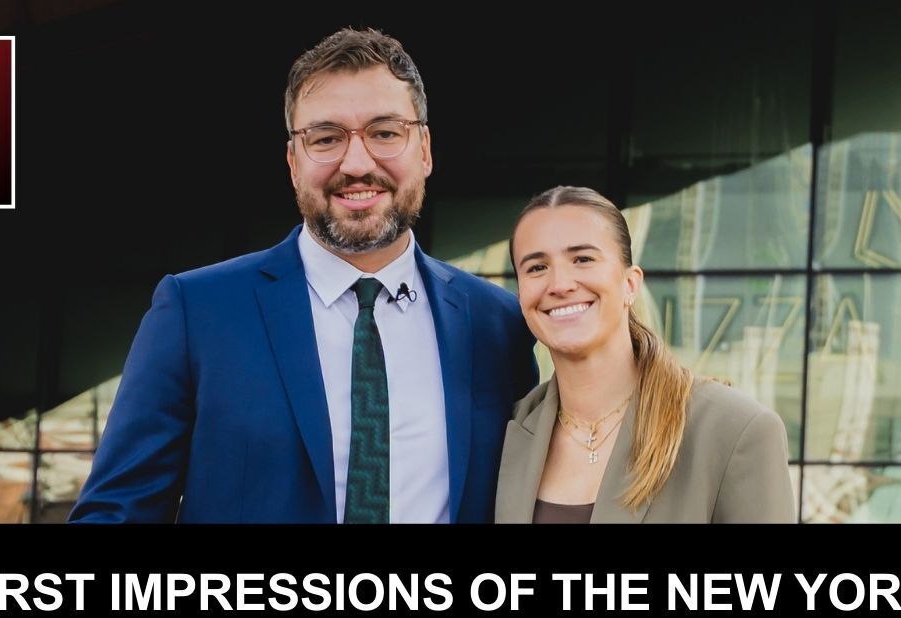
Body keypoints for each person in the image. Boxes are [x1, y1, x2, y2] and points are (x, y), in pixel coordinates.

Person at [70, 28, 537, 523]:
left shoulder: (498, 322)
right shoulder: (197, 311)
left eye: (384, 132)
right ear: (294, 162)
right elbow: (116, 513)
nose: (356, 164)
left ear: (424, 149)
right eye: (326, 138)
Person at [495, 186, 796, 523]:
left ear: (630, 284)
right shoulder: (509, 432)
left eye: (583, 259)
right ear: (521, 294)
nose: (560, 283)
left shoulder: (735, 430)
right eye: (537, 267)